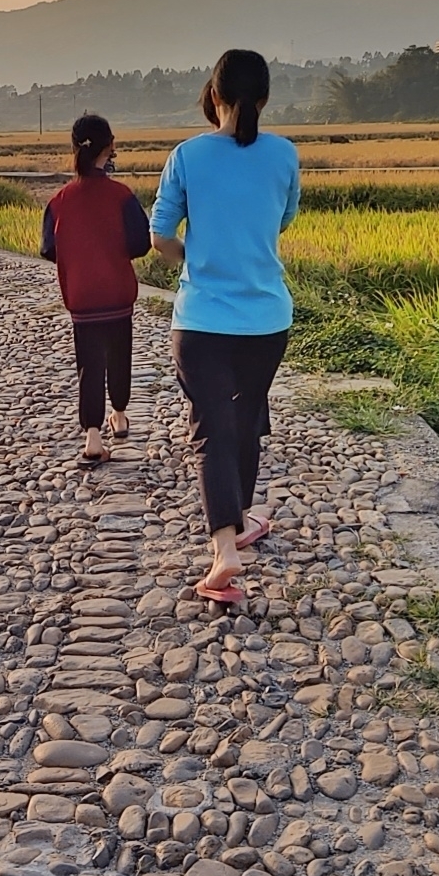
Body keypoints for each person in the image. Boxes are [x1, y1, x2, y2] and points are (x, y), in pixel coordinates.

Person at [149, 49, 300, 604]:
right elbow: (282, 218)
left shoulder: (188, 155)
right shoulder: (284, 154)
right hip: (266, 319)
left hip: (203, 320)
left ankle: (225, 553)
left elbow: (158, 235)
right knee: (246, 417)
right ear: (262, 100)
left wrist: (192, 258)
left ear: (213, 96)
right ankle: (238, 519)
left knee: (212, 427)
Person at [41, 114, 151, 464]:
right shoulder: (121, 195)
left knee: (89, 364)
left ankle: (92, 437)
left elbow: (48, 248)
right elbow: (139, 243)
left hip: (82, 296)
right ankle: (118, 416)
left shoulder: (59, 200)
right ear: (111, 146)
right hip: (117, 292)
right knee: (120, 354)